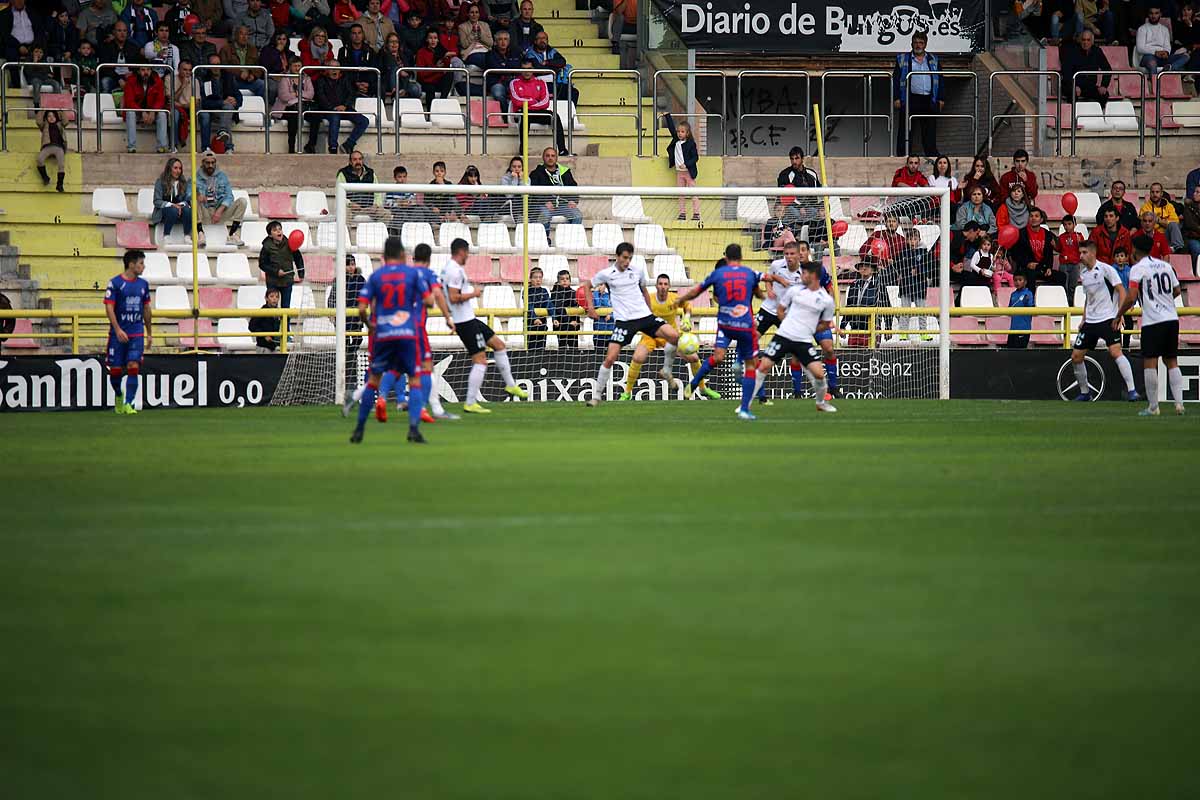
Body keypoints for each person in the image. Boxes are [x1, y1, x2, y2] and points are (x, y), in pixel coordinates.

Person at [350, 236, 432, 444]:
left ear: (384, 256)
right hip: (407, 334)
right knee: (414, 380)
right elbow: (429, 300)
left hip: (383, 334)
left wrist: (369, 325)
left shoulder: (376, 277)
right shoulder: (412, 274)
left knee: (373, 381)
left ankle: (359, 429)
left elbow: (361, 308)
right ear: (403, 255)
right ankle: (413, 429)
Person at [583, 242, 680, 407]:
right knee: (610, 357)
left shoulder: (637, 272)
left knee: (674, 335)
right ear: (617, 256)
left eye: (630, 258)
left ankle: (666, 370)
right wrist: (591, 308)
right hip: (624, 322)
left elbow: (644, 291)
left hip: (644, 317)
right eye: (624, 258)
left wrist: (650, 312)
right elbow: (586, 286)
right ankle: (596, 396)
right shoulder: (607, 274)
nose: (627, 261)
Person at [675, 244, 764, 418]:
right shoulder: (721, 270)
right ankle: (694, 384)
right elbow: (715, 295)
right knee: (719, 357)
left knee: (747, 364)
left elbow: (754, 292)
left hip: (745, 323)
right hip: (727, 323)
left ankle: (758, 398)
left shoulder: (746, 274)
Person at [442, 238, 530, 413]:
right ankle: (470, 402)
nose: (468, 255)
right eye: (467, 252)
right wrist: (472, 294)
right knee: (480, 361)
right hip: (464, 322)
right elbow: (452, 298)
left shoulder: (451, 269)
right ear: (461, 252)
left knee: (499, 345)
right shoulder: (453, 271)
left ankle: (511, 385)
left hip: (469, 319)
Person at [750, 261, 838, 413]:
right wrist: (789, 323)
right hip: (783, 336)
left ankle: (820, 403)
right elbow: (780, 310)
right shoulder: (794, 291)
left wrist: (810, 328)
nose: (800, 275)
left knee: (819, 374)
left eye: (804, 273)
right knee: (764, 366)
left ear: (814, 276)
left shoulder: (826, 301)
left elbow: (825, 323)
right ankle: (746, 404)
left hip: (803, 340)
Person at [1118, 234, 1185, 415]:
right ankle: (1179, 404)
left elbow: (1131, 296)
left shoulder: (1138, 269)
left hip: (1153, 321)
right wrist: (1164, 301)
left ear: (1135, 250)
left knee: (1150, 361)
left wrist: (1119, 315)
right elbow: (1177, 290)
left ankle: (1153, 407)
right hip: (1171, 318)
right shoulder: (1166, 266)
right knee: (1171, 360)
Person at [1069, 240, 1139, 401]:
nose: (1081, 256)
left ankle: (1132, 391)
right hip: (1091, 322)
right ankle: (1085, 392)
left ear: (1093, 253)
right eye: (1080, 253)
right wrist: (1083, 319)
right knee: (1076, 357)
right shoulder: (1084, 273)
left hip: (1108, 318)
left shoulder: (1106, 269)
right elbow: (1089, 298)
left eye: (1084, 252)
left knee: (1116, 352)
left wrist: (1119, 314)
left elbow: (1121, 290)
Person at [620, 273, 707, 400]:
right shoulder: (649, 299)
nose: (663, 286)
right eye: (660, 284)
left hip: (669, 335)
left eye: (665, 284)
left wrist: (687, 318)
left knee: (694, 358)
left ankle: (703, 388)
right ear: (656, 286)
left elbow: (687, 305)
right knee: (638, 357)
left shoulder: (674, 299)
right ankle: (627, 392)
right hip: (650, 335)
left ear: (669, 286)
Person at [104, 249, 152, 416]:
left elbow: (146, 308)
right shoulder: (115, 283)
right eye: (141, 263)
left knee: (133, 366)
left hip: (136, 333)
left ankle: (129, 404)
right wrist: (117, 329)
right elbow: (109, 307)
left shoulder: (143, 285)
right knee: (115, 370)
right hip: (118, 334)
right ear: (131, 264)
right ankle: (119, 394)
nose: (143, 267)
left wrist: (149, 332)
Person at [892, 32, 942, 156]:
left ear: (925, 44)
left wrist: (941, 98)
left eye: (921, 43)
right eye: (915, 42)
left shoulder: (934, 59)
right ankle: (903, 154)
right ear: (911, 43)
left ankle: (931, 154)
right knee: (906, 128)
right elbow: (896, 79)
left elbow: (940, 79)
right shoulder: (903, 58)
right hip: (910, 98)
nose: (918, 45)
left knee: (929, 129)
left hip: (928, 99)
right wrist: (896, 97)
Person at [310, 60, 370, 154]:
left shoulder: (345, 79)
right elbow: (321, 97)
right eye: (332, 68)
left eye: (337, 67)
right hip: (328, 109)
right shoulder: (321, 80)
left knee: (364, 121)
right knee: (335, 117)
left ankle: (349, 144)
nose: (334, 70)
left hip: (345, 108)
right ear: (327, 69)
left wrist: (345, 106)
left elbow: (351, 94)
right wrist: (333, 108)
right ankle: (333, 147)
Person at [509, 58, 566, 155]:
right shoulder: (514, 82)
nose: (527, 72)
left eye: (529, 69)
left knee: (554, 116)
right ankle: (523, 149)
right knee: (524, 115)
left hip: (534, 111)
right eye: (524, 69)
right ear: (520, 70)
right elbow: (516, 101)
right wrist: (533, 101)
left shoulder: (541, 82)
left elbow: (545, 102)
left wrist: (528, 104)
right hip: (521, 113)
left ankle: (562, 150)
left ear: (533, 69)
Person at [196, 150, 248, 247]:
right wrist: (197, 194)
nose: (210, 165)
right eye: (207, 163)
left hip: (220, 213)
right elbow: (187, 193)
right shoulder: (196, 177)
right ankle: (200, 234)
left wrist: (220, 210)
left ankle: (232, 234)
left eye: (213, 162)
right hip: (204, 212)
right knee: (193, 200)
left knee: (242, 201)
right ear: (203, 163)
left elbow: (229, 196)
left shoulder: (222, 176)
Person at [529, 147, 581, 234]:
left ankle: (570, 241)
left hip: (563, 205)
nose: (550, 158)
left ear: (556, 158)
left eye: (553, 156)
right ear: (543, 158)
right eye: (547, 156)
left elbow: (574, 188)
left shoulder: (565, 172)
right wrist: (544, 201)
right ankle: (545, 241)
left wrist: (573, 200)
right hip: (544, 206)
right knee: (544, 215)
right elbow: (533, 192)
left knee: (577, 216)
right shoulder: (536, 173)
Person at [197, 52, 242, 153]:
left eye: (218, 64)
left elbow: (239, 96)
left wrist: (235, 101)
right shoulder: (205, 79)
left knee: (229, 108)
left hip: (226, 111)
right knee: (222, 109)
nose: (216, 67)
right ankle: (227, 147)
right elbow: (205, 103)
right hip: (211, 110)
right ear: (208, 66)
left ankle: (223, 132)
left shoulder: (229, 77)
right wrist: (222, 102)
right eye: (213, 65)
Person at [842, 259, 892, 346]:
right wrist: (842, 326)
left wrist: (888, 329)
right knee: (852, 356)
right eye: (861, 266)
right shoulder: (853, 286)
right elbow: (849, 306)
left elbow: (887, 307)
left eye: (867, 266)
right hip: (855, 328)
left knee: (870, 356)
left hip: (872, 328)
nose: (863, 268)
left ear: (873, 270)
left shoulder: (879, 286)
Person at [896, 229, 934, 340]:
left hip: (920, 286)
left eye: (915, 239)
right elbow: (899, 266)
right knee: (905, 310)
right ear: (907, 240)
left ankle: (923, 333)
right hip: (906, 286)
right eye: (910, 239)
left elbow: (929, 268)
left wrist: (918, 271)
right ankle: (903, 333)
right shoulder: (903, 253)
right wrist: (904, 272)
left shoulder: (924, 252)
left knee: (921, 310)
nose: (913, 241)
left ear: (919, 239)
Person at [258, 219, 305, 307]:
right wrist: (276, 271)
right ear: (270, 235)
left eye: (280, 229)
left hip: (287, 280)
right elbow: (262, 264)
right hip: (272, 281)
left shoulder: (290, 243)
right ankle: (272, 321)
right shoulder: (266, 247)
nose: (278, 231)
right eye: (275, 230)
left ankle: (286, 321)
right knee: (272, 306)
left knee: (286, 307)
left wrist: (301, 274)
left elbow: (298, 257)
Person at [123, 66, 170, 154]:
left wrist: (153, 111)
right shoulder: (131, 81)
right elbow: (129, 101)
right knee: (130, 113)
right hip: (137, 111)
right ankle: (131, 147)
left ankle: (161, 147)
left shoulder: (157, 80)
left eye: (148, 70)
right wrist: (142, 111)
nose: (146, 73)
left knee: (162, 114)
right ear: (138, 71)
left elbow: (160, 100)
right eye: (143, 70)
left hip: (152, 111)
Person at [273, 55, 315, 153]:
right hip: (286, 108)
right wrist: (301, 95)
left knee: (316, 118)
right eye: (295, 66)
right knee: (294, 117)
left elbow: (311, 94)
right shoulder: (285, 78)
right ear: (290, 67)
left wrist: (297, 94)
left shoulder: (306, 78)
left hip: (304, 107)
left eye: (299, 66)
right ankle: (291, 147)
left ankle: (311, 144)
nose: (297, 68)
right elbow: (284, 96)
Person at [663, 113, 700, 221]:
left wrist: (687, 164)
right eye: (679, 131)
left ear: (687, 133)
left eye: (682, 132)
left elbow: (695, 157)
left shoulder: (691, 144)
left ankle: (696, 214)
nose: (679, 133)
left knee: (693, 193)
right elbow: (671, 129)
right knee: (681, 193)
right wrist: (667, 116)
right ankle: (682, 213)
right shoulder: (676, 140)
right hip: (679, 172)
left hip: (688, 172)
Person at [1061, 30, 1113, 106]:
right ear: (1080, 41)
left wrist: (1103, 86)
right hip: (1073, 85)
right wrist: (1073, 86)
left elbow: (1107, 69)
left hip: (1089, 86)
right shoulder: (1072, 51)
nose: (1085, 43)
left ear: (1092, 41)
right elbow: (1066, 71)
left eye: (1088, 40)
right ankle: (1072, 116)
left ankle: (1098, 115)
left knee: (1104, 95)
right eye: (1083, 40)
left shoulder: (1097, 51)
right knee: (1072, 93)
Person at [526, 30, 576, 104]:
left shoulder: (551, 51)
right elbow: (538, 68)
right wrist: (555, 69)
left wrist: (547, 62)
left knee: (573, 92)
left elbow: (562, 62)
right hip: (538, 83)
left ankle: (567, 114)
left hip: (554, 82)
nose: (542, 40)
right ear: (535, 41)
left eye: (544, 38)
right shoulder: (530, 53)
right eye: (539, 38)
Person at [337, 149, 387, 219]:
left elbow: (377, 193)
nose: (358, 162)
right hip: (351, 209)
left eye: (360, 159)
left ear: (362, 160)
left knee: (386, 214)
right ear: (350, 162)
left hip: (370, 209)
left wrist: (375, 205)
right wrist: (350, 204)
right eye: (355, 159)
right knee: (343, 214)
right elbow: (339, 194)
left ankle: (379, 230)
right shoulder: (343, 174)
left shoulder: (371, 173)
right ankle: (347, 230)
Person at [1137, 6, 1189, 73]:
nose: (1153, 16)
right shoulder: (1142, 29)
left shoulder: (1164, 29)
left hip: (1162, 57)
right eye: (1151, 13)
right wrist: (1156, 52)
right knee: (1152, 63)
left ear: (1160, 14)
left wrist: (1166, 52)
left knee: (1186, 56)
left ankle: (1169, 69)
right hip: (1148, 56)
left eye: (1156, 13)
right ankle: (1155, 83)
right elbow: (1140, 48)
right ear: (1148, 14)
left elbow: (1167, 46)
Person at [151, 157, 192, 240]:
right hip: (164, 211)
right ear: (169, 169)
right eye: (175, 168)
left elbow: (187, 199)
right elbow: (157, 201)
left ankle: (187, 235)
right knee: (173, 210)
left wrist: (180, 205)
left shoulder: (183, 183)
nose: (178, 171)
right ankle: (166, 235)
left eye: (180, 168)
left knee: (187, 209)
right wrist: (172, 205)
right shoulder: (160, 182)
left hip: (180, 210)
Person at [220, 25, 265, 99]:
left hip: (248, 80)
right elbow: (223, 67)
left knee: (262, 84)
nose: (244, 37)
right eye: (241, 34)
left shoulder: (253, 49)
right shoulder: (226, 49)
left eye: (246, 34)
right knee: (230, 81)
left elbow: (259, 68)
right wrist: (239, 73)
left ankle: (257, 107)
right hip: (233, 81)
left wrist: (253, 75)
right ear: (236, 36)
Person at [1139, 182, 1185, 252]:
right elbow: (1146, 224)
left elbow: (1175, 222)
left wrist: (1158, 220)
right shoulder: (1145, 207)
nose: (1155, 194)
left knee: (1173, 225)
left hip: (1167, 235)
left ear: (1161, 193)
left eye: (1157, 192)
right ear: (1150, 193)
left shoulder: (1169, 206)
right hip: (1153, 236)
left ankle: (1178, 248)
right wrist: (1164, 222)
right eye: (1152, 192)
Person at [378, 32, 422, 105]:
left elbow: (409, 71)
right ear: (387, 44)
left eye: (396, 42)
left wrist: (405, 72)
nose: (394, 44)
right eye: (391, 42)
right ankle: (395, 92)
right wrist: (399, 70)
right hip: (387, 82)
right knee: (396, 69)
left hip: (403, 82)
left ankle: (402, 91)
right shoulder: (383, 54)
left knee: (416, 89)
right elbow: (382, 70)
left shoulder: (402, 55)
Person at [99, 21, 140, 93]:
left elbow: (138, 65)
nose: (122, 33)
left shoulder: (133, 47)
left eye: (124, 31)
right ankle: (105, 104)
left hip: (130, 77)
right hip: (113, 77)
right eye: (119, 30)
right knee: (105, 81)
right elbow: (104, 68)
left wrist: (133, 73)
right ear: (114, 32)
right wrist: (119, 78)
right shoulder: (107, 47)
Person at [338, 23, 377, 98]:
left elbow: (374, 69)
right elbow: (343, 71)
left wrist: (367, 83)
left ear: (363, 35)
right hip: (351, 83)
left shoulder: (370, 51)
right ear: (350, 35)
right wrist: (356, 84)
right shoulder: (343, 51)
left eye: (359, 33)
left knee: (379, 83)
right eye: (354, 33)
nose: (357, 36)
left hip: (366, 84)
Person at [485, 29, 521, 107]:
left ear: (509, 41)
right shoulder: (489, 55)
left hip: (513, 81)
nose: (503, 42)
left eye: (505, 39)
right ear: (495, 42)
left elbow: (518, 66)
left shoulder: (515, 53)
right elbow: (497, 68)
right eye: (500, 39)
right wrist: (510, 66)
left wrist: (504, 66)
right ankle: (506, 116)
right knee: (498, 94)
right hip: (497, 83)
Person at [35, 111, 68, 194]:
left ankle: (59, 184)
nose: (51, 118)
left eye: (53, 116)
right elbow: (38, 121)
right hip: (48, 146)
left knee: (61, 165)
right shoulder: (44, 126)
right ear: (46, 118)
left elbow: (66, 121)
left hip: (59, 147)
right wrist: (42, 110)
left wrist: (60, 111)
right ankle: (45, 177)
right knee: (39, 160)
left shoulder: (60, 124)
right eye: (49, 116)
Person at [1057, 213, 1086, 296]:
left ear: (1074, 224)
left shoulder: (1079, 236)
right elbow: (1059, 249)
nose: (1067, 226)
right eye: (1065, 225)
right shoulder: (1061, 237)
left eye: (1069, 224)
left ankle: (1071, 302)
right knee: (1064, 284)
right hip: (1063, 264)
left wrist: (1080, 242)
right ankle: (1065, 301)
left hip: (1075, 264)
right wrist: (1054, 245)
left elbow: (1082, 248)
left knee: (1073, 285)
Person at [550, 268, 579, 348]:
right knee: (562, 347)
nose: (565, 281)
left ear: (570, 281)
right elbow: (558, 308)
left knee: (574, 348)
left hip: (572, 325)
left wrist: (575, 320)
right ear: (558, 281)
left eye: (567, 279)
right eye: (562, 279)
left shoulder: (574, 293)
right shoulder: (555, 294)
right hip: (560, 325)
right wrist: (567, 322)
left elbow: (576, 308)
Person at [458, 2, 493, 68]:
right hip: (471, 53)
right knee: (482, 59)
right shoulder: (462, 27)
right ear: (468, 14)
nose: (474, 14)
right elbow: (464, 45)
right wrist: (472, 33)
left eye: (476, 12)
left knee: (491, 58)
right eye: (472, 12)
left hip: (486, 52)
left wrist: (480, 33)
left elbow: (490, 43)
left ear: (479, 14)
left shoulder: (485, 25)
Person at [1006, 272, 1034, 348]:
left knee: (1020, 353)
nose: (1017, 282)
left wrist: (1026, 301)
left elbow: (1031, 309)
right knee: (1010, 352)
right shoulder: (1013, 294)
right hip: (1012, 329)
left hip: (1024, 329)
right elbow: (1009, 310)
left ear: (1025, 282)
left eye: (1020, 280)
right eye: (1015, 280)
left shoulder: (1029, 294)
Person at [526, 266, 551, 350]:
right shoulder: (526, 291)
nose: (538, 280)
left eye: (540, 277)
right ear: (530, 279)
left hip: (542, 324)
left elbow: (549, 304)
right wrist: (534, 318)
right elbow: (529, 306)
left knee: (541, 349)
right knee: (531, 350)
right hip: (530, 324)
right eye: (535, 277)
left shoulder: (544, 291)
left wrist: (555, 317)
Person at [251, 288, 284, 352]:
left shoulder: (279, 312)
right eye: (271, 296)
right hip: (263, 346)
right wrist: (264, 335)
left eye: (277, 297)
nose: (274, 299)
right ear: (266, 298)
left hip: (273, 346)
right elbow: (252, 326)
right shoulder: (262, 311)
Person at [1182, 183, 1200, 269]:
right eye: (1195, 192)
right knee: (1196, 248)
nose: (1194, 194)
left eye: (1198, 192)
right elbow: (1190, 224)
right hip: (1192, 237)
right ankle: (1195, 271)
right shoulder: (1188, 207)